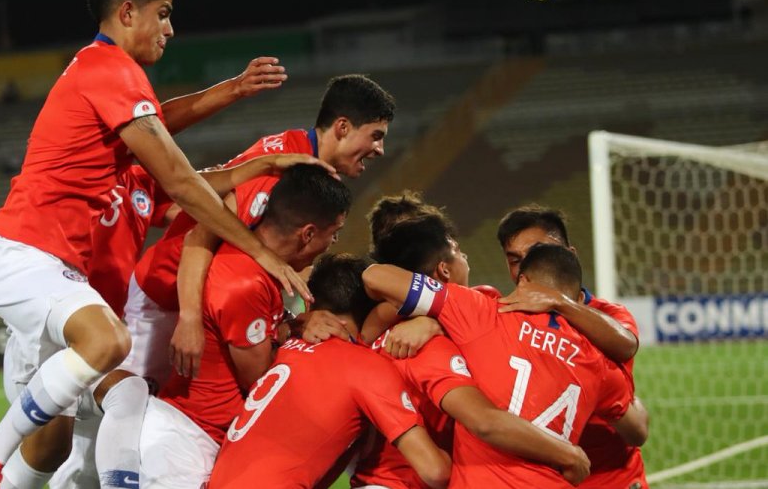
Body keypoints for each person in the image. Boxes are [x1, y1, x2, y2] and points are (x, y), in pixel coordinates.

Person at [0, 0, 313, 488]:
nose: (170, 28)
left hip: (56, 274)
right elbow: (183, 180)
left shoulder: (106, 86)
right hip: (28, 256)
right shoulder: (111, 69)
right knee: (109, 346)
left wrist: (243, 121)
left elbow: (166, 140)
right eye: (162, 14)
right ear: (127, 12)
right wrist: (262, 252)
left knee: (55, 449)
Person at [123, 73, 395, 386]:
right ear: (343, 127)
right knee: (130, 396)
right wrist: (189, 317)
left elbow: (292, 261)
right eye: (375, 135)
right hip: (169, 293)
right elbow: (200, 236)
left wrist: (294, 316)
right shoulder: (279, 171)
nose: (380, 149)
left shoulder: (310, 172)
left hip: (214, 305)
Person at [363, 234, 648, 488]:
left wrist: (431, 316)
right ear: (576, 296)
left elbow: (375, 276)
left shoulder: (483, 313)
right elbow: (637, 431)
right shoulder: (598, 359)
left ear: (524, 281)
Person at [133, 164, 351, 487]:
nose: (332, 243)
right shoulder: (244, 283)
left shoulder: (257, 268)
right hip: (182, 445)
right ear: (307, 234)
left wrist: (290, 327)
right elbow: (262, 381)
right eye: (333, 234)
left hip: (199, 438)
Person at [207, 253, 452, 489]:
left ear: (310, 302)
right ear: (375, 307)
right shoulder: (364, 365)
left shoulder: (282, 348)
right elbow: (434, 471)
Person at [495, 205, 648, 488]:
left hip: (609, 475)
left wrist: (559, 302)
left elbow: (626, 345)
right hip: (540, 475)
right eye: (514, 259)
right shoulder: (500, 313)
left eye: (538, 252)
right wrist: (428, 324)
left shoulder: (607, 315)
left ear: (570, 254)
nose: (525, 267)